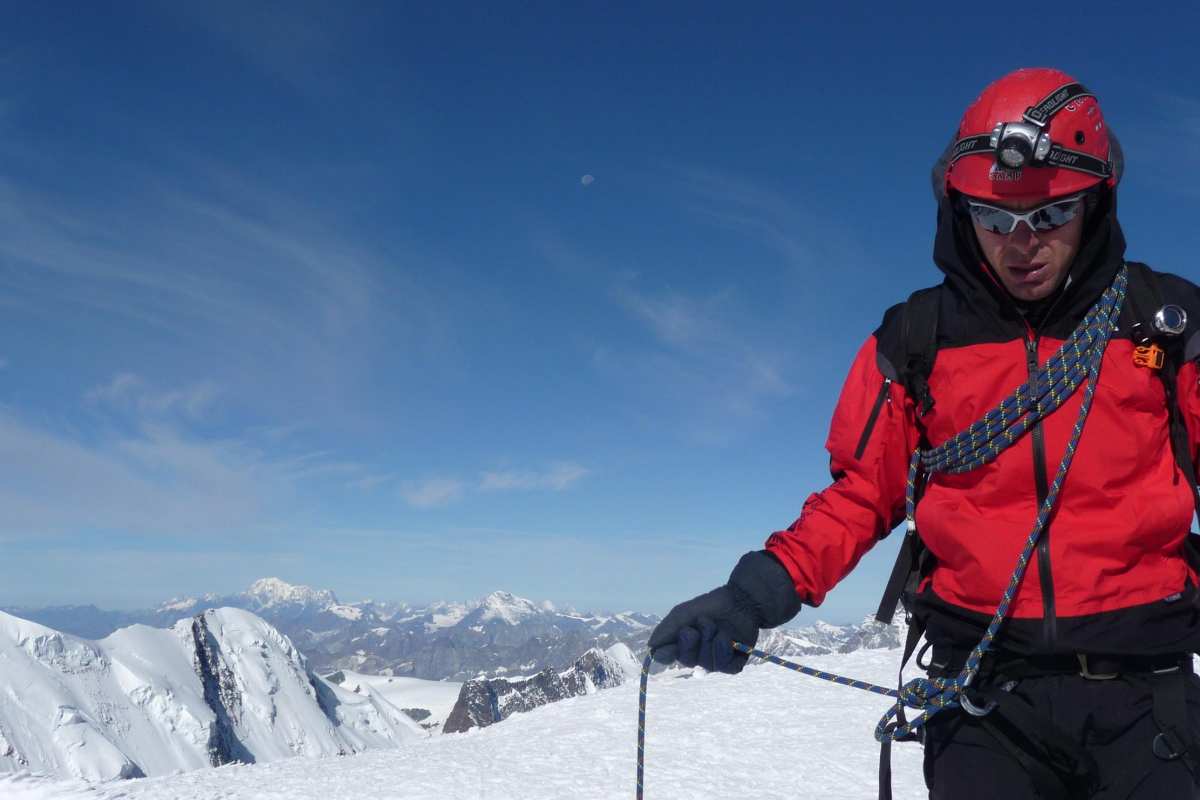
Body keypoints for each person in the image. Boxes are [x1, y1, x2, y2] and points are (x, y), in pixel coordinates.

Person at [647, 67, 1200, 799]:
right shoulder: (916, 341)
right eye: (996, 218)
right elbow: (860, 496)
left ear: (1095, 204)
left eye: (1051, 215)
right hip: (983, 702)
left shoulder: (1166, 322)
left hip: (1145, 698)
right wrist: (753, 599)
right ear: (960, 209)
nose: (1021, 243)